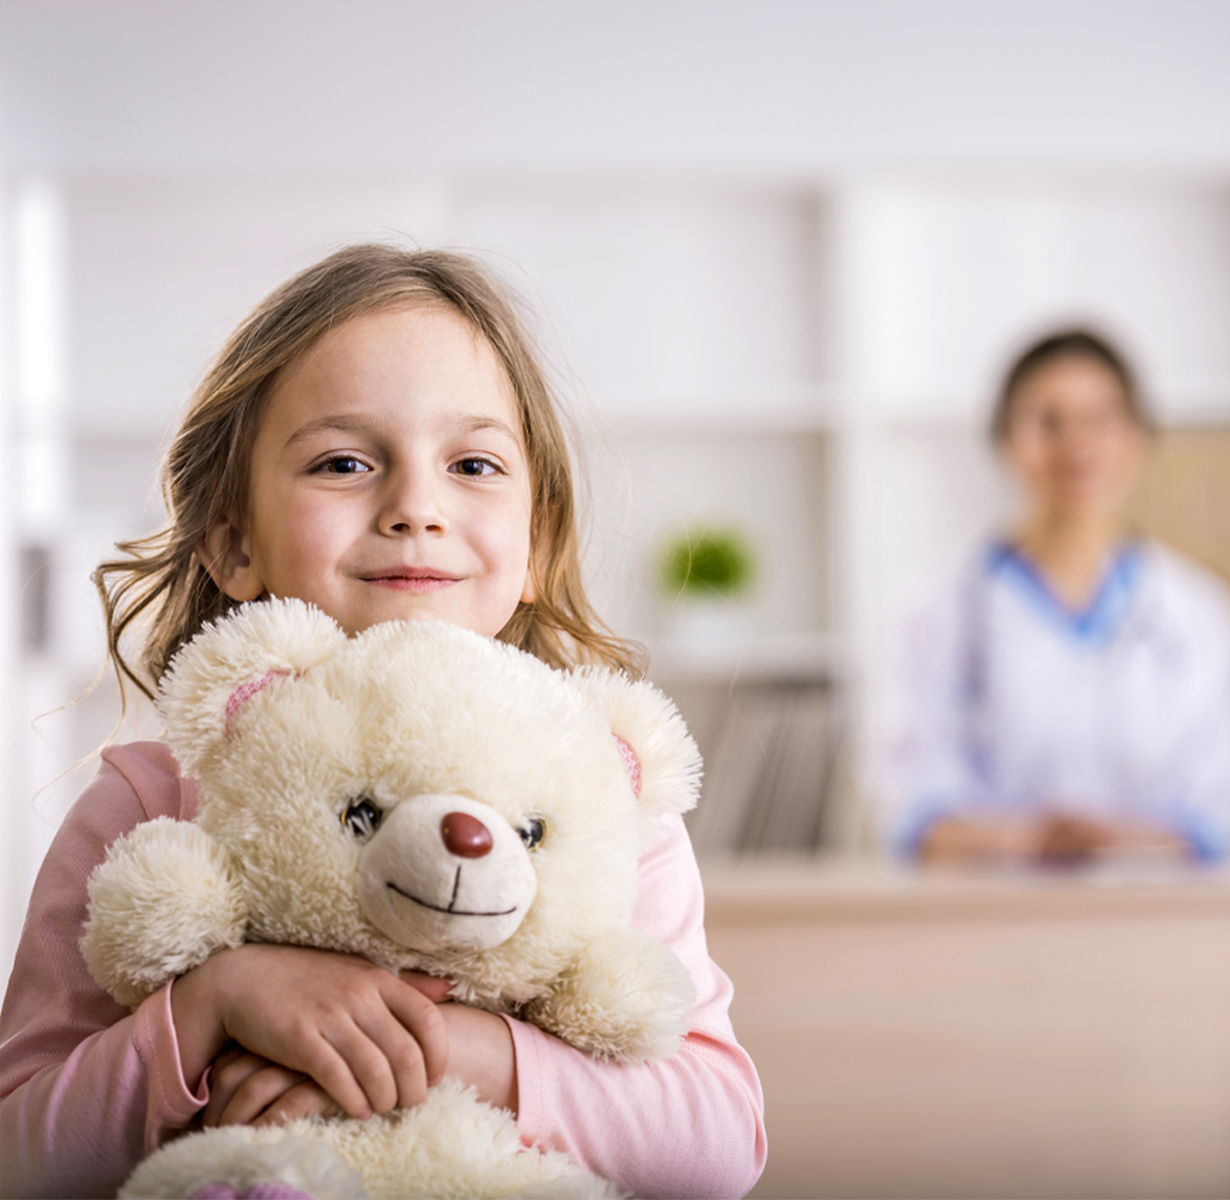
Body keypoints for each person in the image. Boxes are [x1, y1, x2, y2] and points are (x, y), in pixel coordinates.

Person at [0, 245, 766, 1198]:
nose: (416, 508)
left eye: (474, 463)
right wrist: (214, 1007)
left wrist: (444, 1049)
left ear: (537, 544)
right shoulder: (147, 804)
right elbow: (20, 1156)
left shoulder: (600, 800)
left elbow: (718, 1147)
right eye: (345, 462)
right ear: (234, 543)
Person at [880, 329, 1230, 866]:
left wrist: (1111, 843)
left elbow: (1220, 811)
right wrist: (1029, 841)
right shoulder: (933, 611)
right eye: (1047, 422)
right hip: (986, 924)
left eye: (1102, 419)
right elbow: (911, 809)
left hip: (1154, 917)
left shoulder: (1198, 612)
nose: (1076, 446)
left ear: (1139, 438)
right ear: (1004, 441)